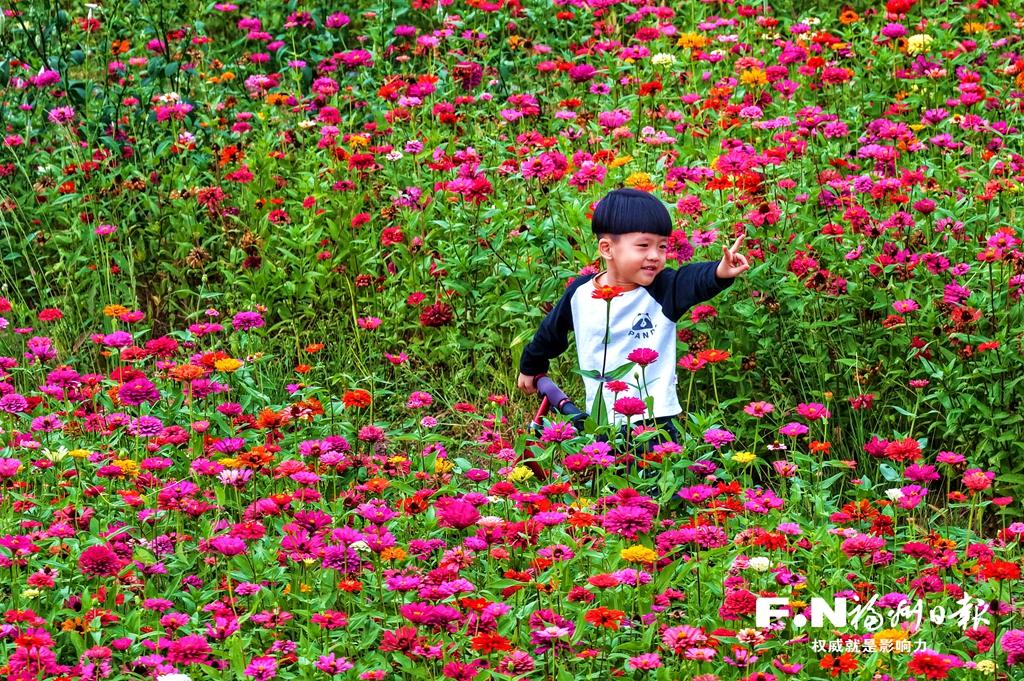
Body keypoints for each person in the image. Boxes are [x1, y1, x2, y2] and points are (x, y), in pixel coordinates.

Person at [516, 187, 749, 446]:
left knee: (655, 483)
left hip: (654, 421)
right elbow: (551, 332)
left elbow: (692, 280)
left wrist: (719, 271)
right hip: (603, 418)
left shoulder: (663, 289)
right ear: (607, 248)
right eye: (643, 245)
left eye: (662, 246)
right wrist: (531, 365)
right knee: (607, 482)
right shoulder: (580, 294)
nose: (655, 256)